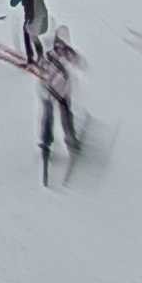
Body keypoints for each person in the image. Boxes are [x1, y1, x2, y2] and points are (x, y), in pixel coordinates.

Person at [35, 26, 83, 173]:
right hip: (61, 92)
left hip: (47, 90)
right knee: (66, 116)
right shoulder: (67, 52)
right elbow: (79, 62)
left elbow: (40, 66)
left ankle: (46, 142)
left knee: (48, 117)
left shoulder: (48, 52)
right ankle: (71, 141)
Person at [7, 0, 48, 64]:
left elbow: (13, 3)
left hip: (33, 16)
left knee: (27, 32)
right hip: (42, 15)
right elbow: (13, 2)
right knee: (32, 34)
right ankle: (40, 56)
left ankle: (32, 58)